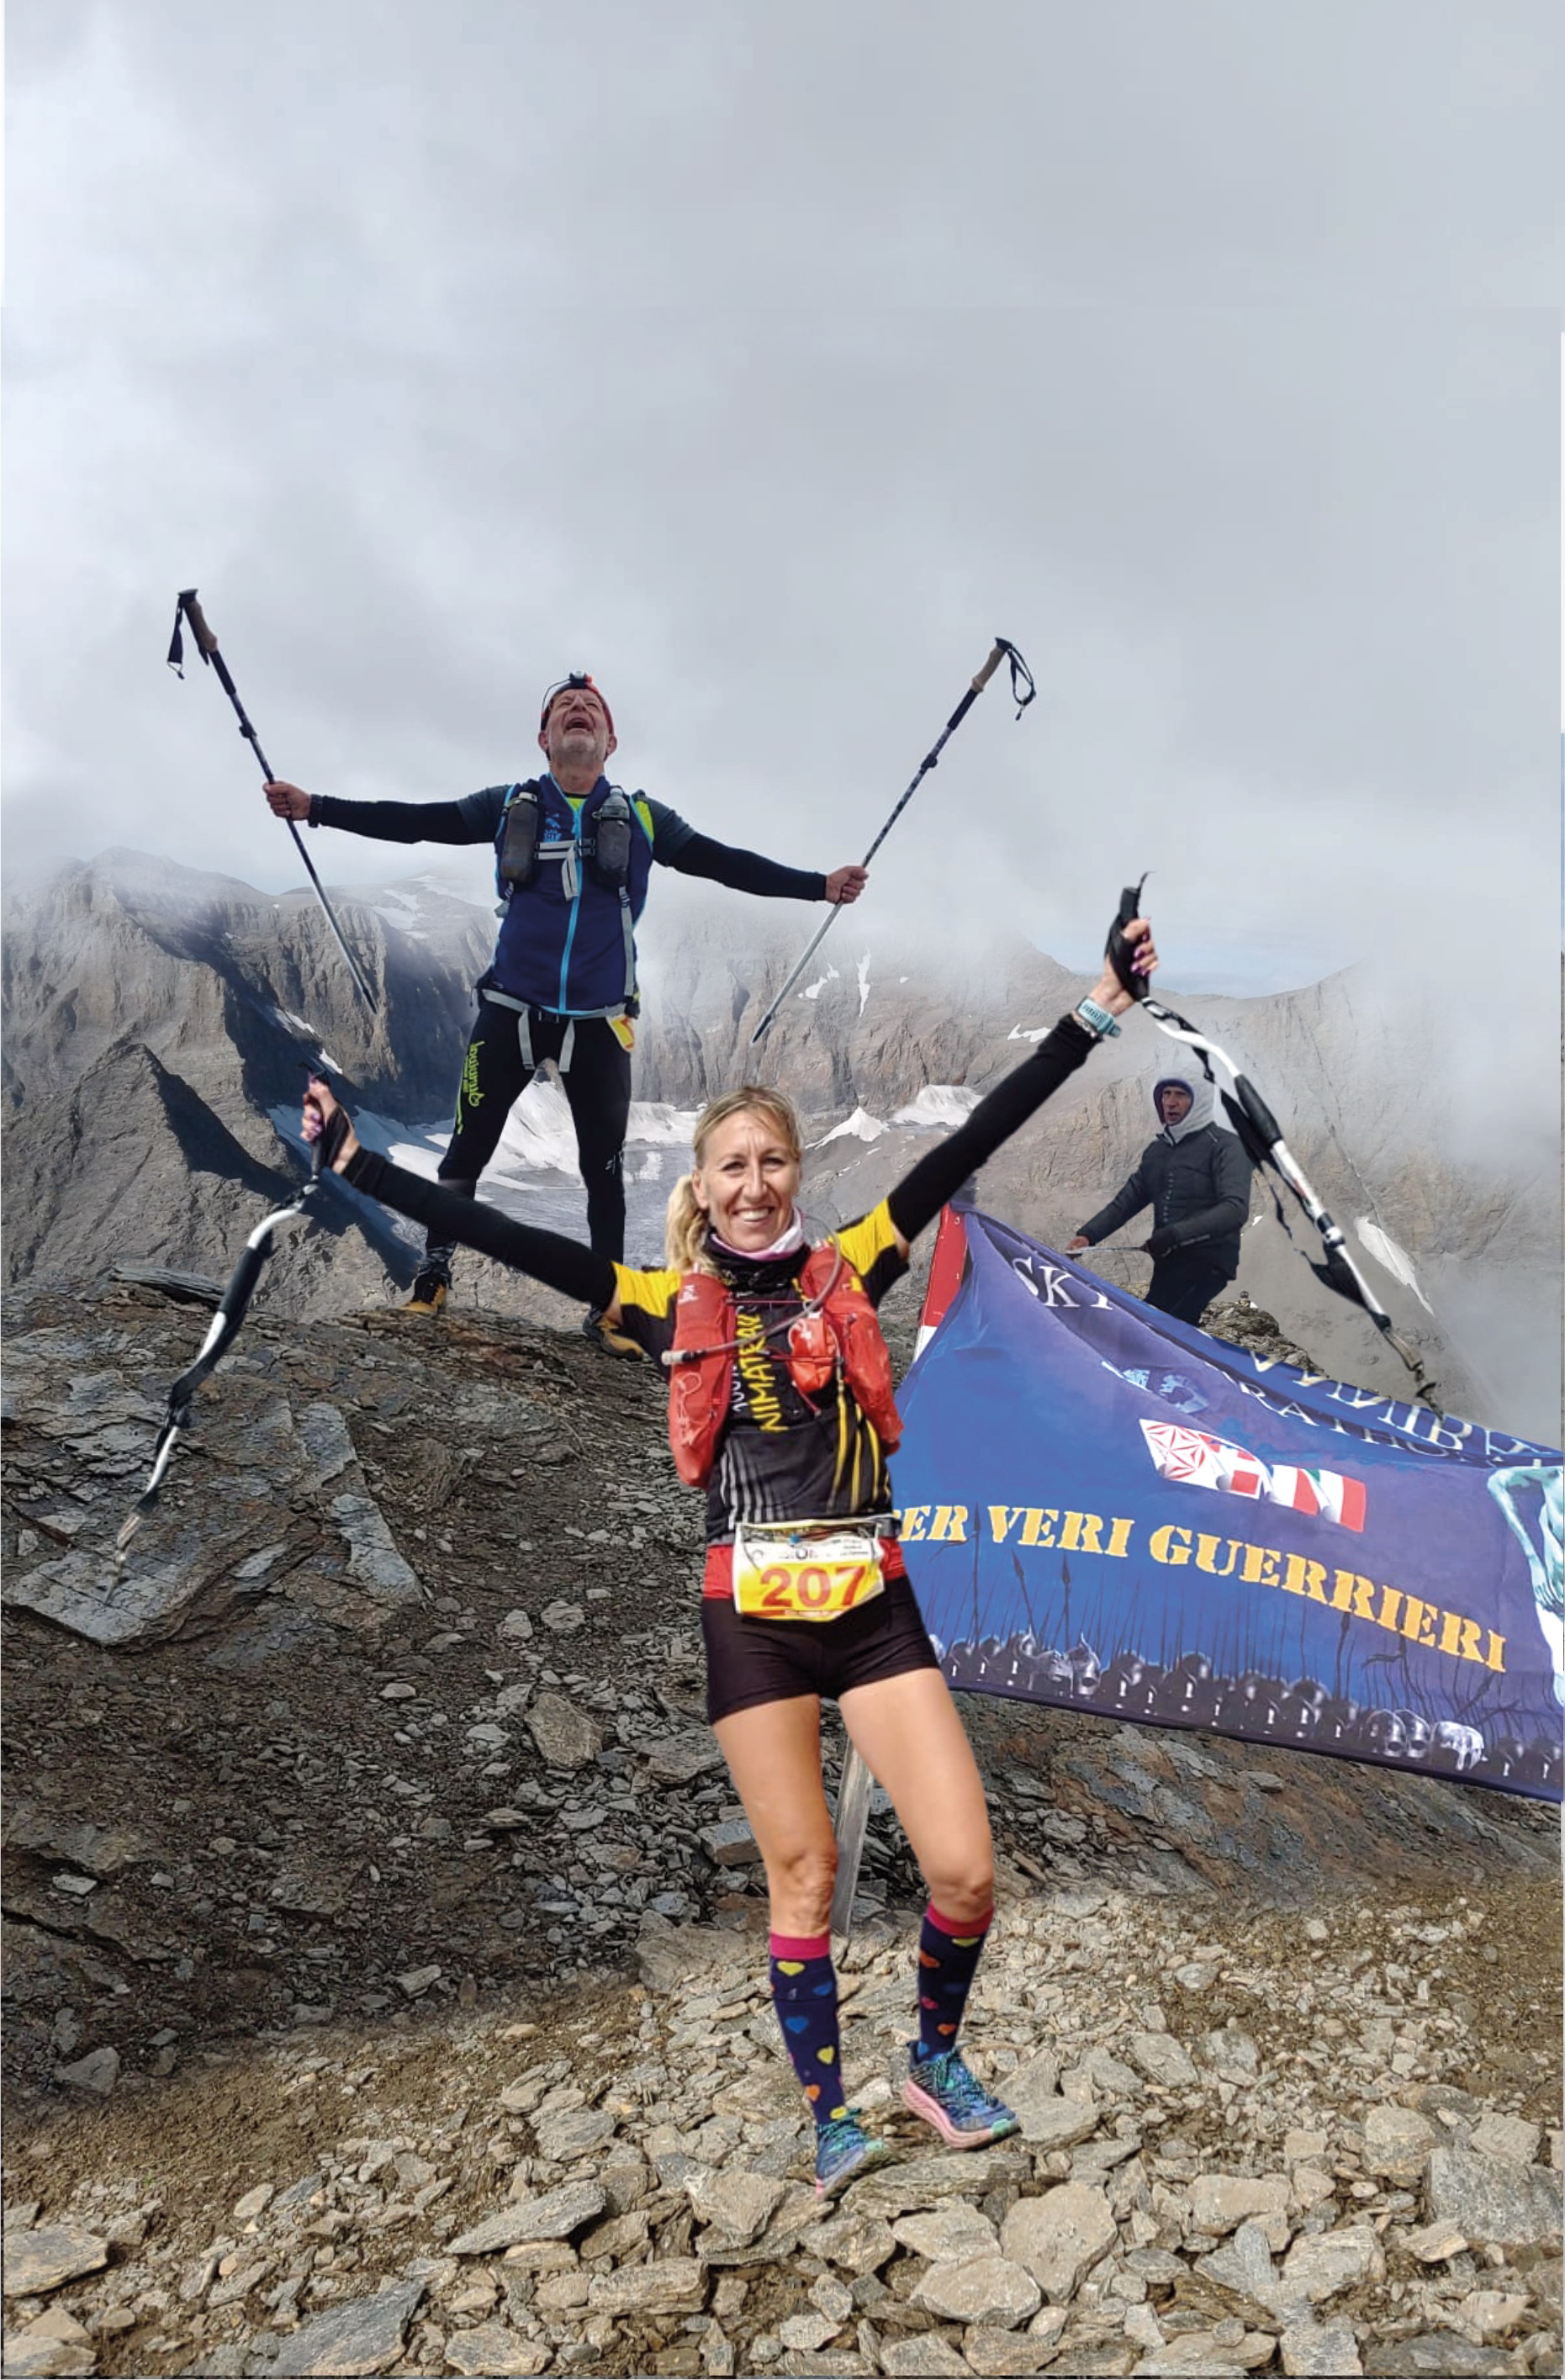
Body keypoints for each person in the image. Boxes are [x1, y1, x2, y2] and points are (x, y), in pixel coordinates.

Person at [301, 913, 1157, 2197]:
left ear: (795, 1171)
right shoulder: (660, 1303)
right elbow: (507, 1241)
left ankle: (933, 2059)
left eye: (770, 1160)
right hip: (750, 1617)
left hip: (873, 1604)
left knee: (964, 1870)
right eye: (730, 1166)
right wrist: (358, 1163)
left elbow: (972, 1138)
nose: (752, 1182)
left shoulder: (852, 1261)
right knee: (803, 1874)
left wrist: (1096, 1010)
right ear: (699, 1189)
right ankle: (829, 2115)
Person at [266, 674, 867, 1333]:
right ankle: (432, 1278)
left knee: (603, 1172)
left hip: (600, 1026)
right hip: (510, 1013)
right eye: (564, 707)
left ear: (611, 743)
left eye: (590, 708)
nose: (578, 710)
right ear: (544, 739)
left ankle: (607, 1311)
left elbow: (725, 863)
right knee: (465, 1155)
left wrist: (818, 886)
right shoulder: (506, 806)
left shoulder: (645, 819)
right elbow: (414, 822)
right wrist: (315, 807)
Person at [1068, 1063, 1252, 1325]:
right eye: (1166, 1094)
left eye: (1181, 1094)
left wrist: (1174, 1235)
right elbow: (1126, 1201)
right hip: (1169, 1262)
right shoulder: (1157, 1151)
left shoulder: (1226, 1146)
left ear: (1199, 1100)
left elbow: (1235, 1209)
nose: (1170, 1102)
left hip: (1210, 1260)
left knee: (1159, 1325)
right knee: (1158, 1326)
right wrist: (1088, 1235)